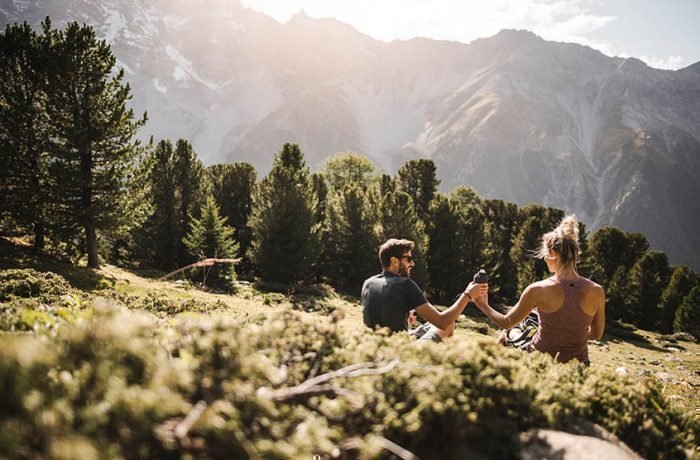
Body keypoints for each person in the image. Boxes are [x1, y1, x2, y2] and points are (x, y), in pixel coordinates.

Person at [472, 215, 605, 365]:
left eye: (546, 254)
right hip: (578, 366)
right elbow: (596, 334)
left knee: (508, 332)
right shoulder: (597, 291)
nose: (545, 258)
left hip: (539, 362)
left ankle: (490, 374)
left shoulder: (538, 289)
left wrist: (482, 304)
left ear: (553, 253)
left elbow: (506, 322)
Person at [362, 238, 487, 342]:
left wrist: (404, 321)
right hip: (399, 354)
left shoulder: (368, 283)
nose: (412, 264)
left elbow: (379, 319)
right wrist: (467, 295)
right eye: (408, 259)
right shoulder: (406, 284)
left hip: (375, 350)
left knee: (430, 327)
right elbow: (442, 321)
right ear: (394, 261)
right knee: (448, 324)